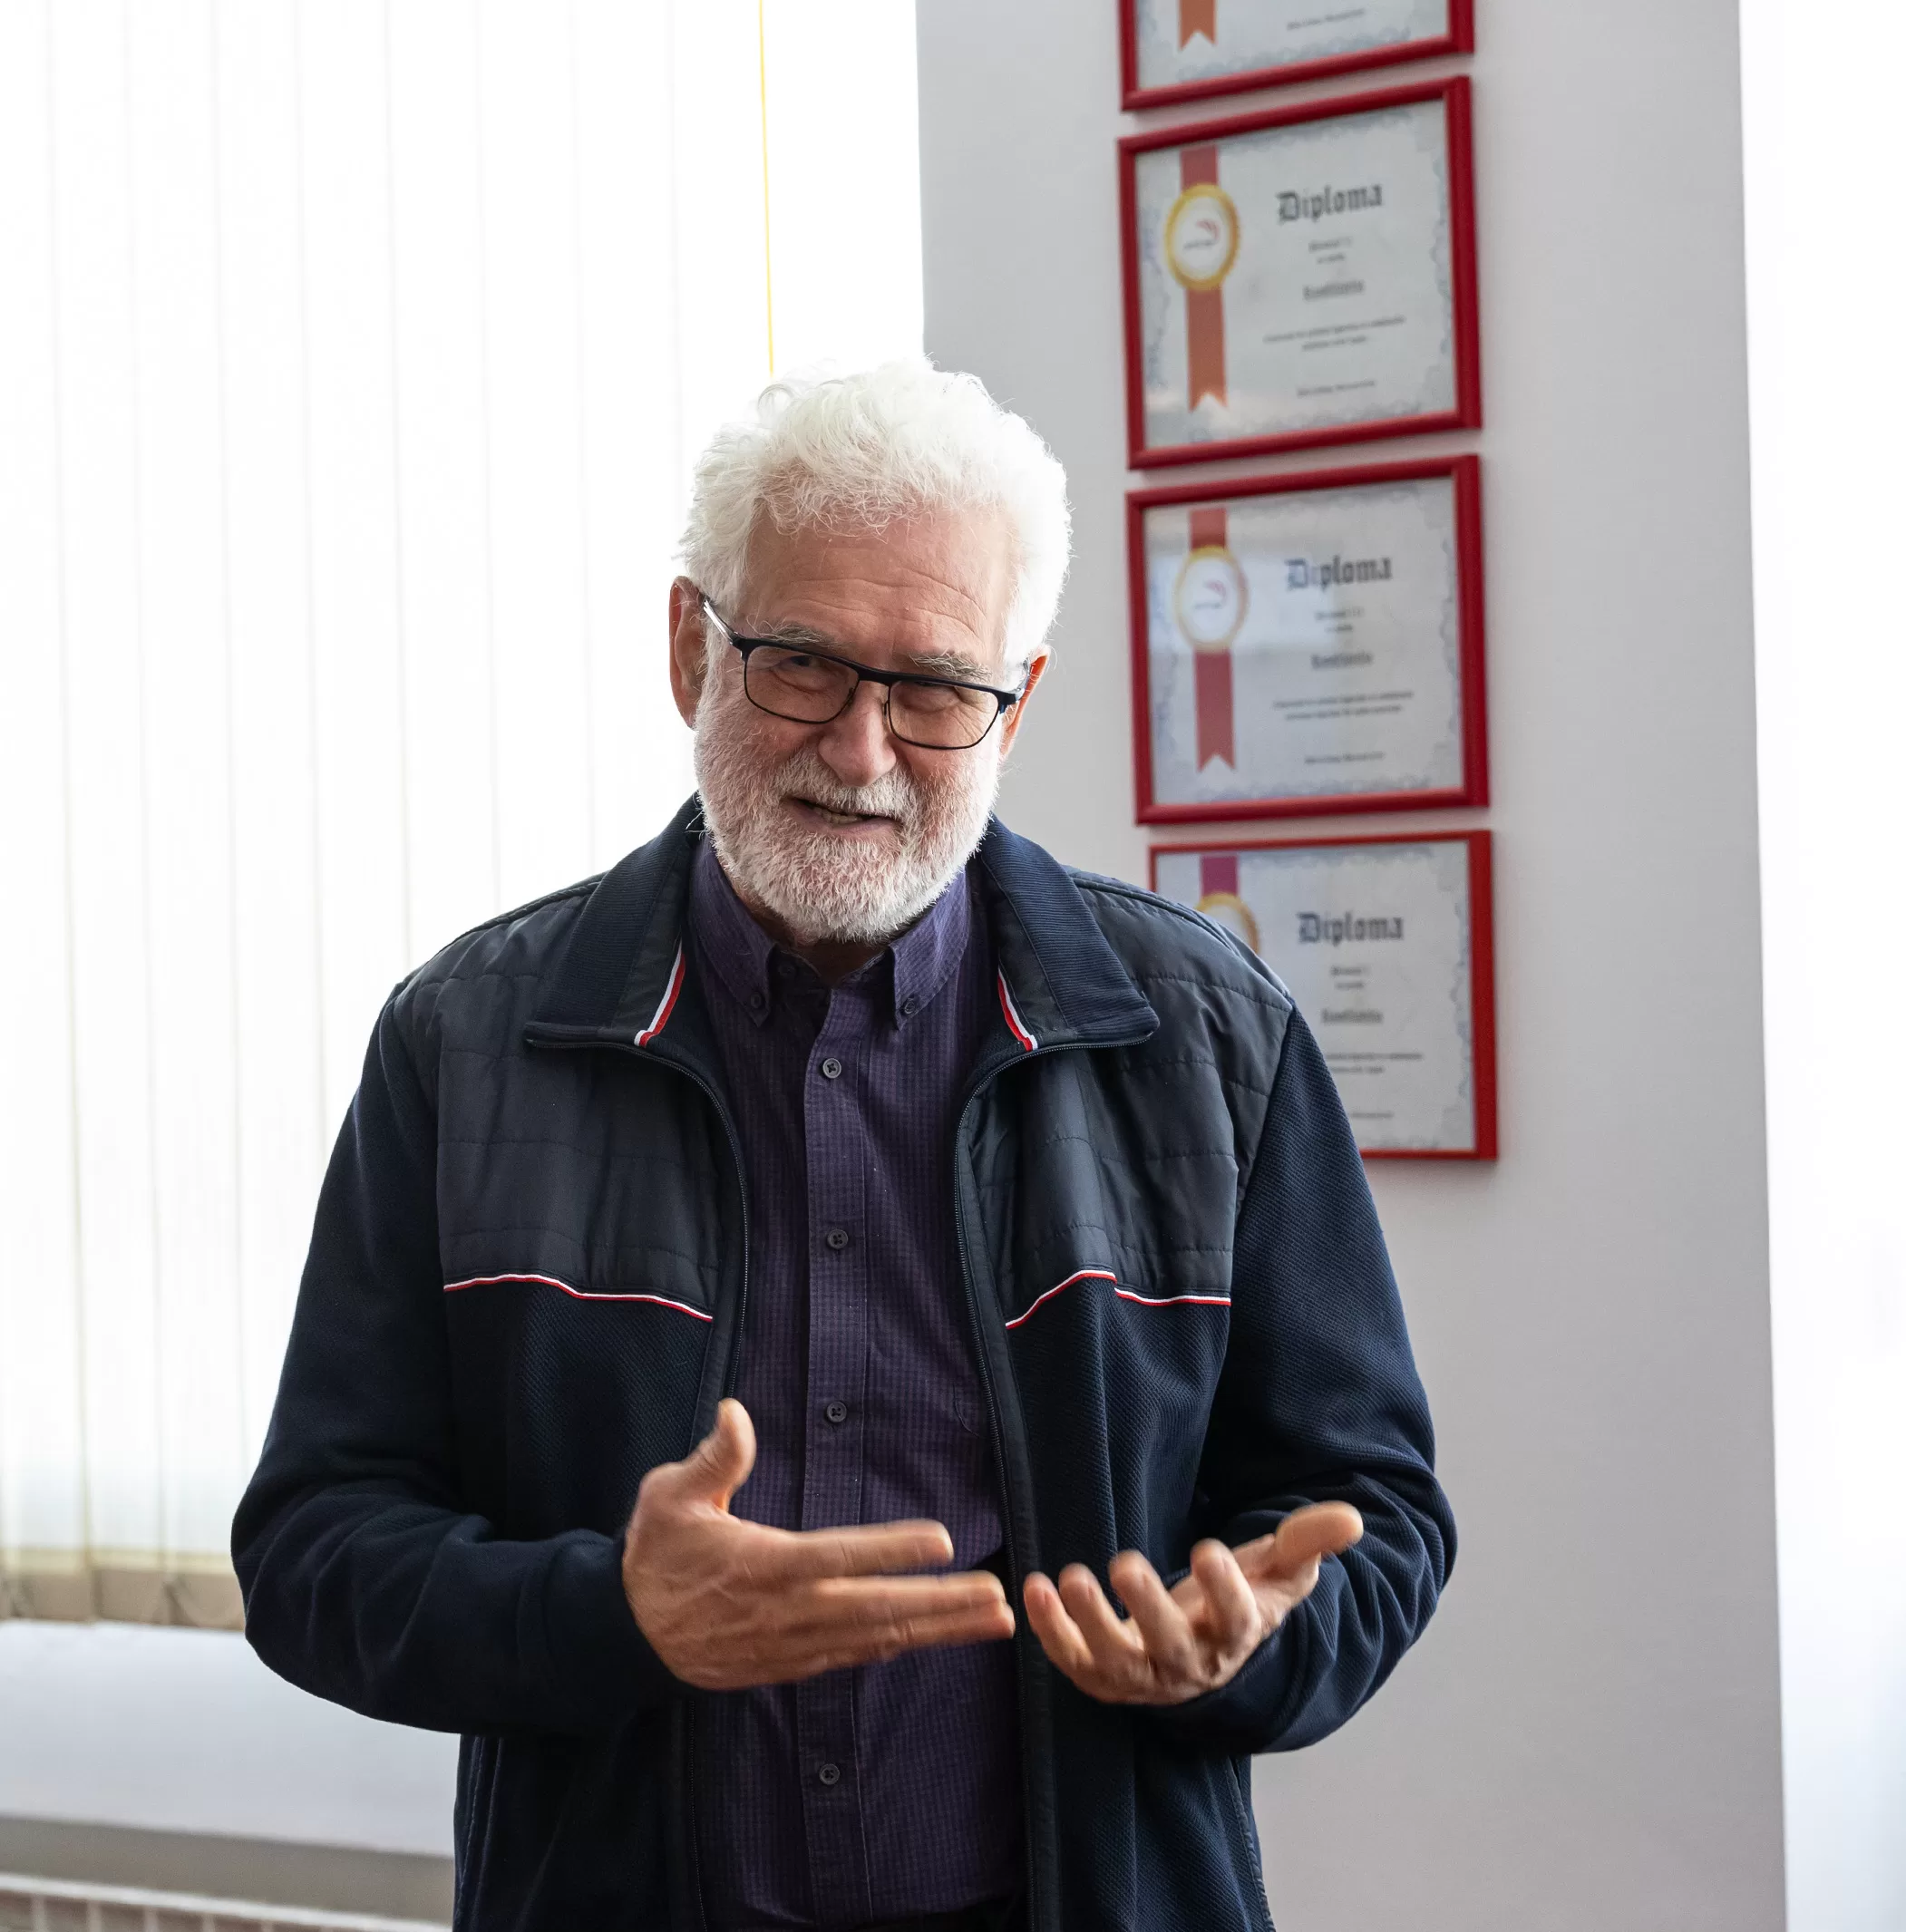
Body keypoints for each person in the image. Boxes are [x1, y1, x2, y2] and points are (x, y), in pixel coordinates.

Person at [233, 362, 1455, 1932]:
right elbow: (314, 1552)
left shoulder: (1212, 1040)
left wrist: (1253, 1643)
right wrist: (611, 1612)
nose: (863, 750)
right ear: (692, 648)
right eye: (802, 663)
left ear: (1017, 701)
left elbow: (1371, 1513)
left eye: (935, 688)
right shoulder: (464, 1042)